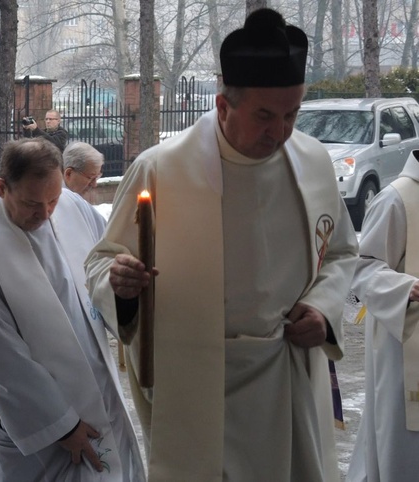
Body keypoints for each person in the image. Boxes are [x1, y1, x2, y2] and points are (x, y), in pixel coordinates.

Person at [84, 8, 358, 481]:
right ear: (223, 106)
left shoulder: (311, 162)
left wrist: (323, 310)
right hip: (194, 380)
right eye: (265, 116)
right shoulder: (161, 168)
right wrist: (120, 284)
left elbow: (339, 253)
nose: (281, 133)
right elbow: (102, 261)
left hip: (286, 372)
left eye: (292, 114)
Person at [0, 138, 145, 481]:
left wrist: (122, 292)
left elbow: (98, 277)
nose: (46, 213)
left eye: (53, 199)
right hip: (33, 427)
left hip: (98, 391)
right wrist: (62, 426)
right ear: (3, 187)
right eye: (32, 203)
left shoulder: (73, 208)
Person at [345, 150, 419, 482]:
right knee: (400, 442)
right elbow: (362, 266)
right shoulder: (397, 199)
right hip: (405, 342)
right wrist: (408, 288)